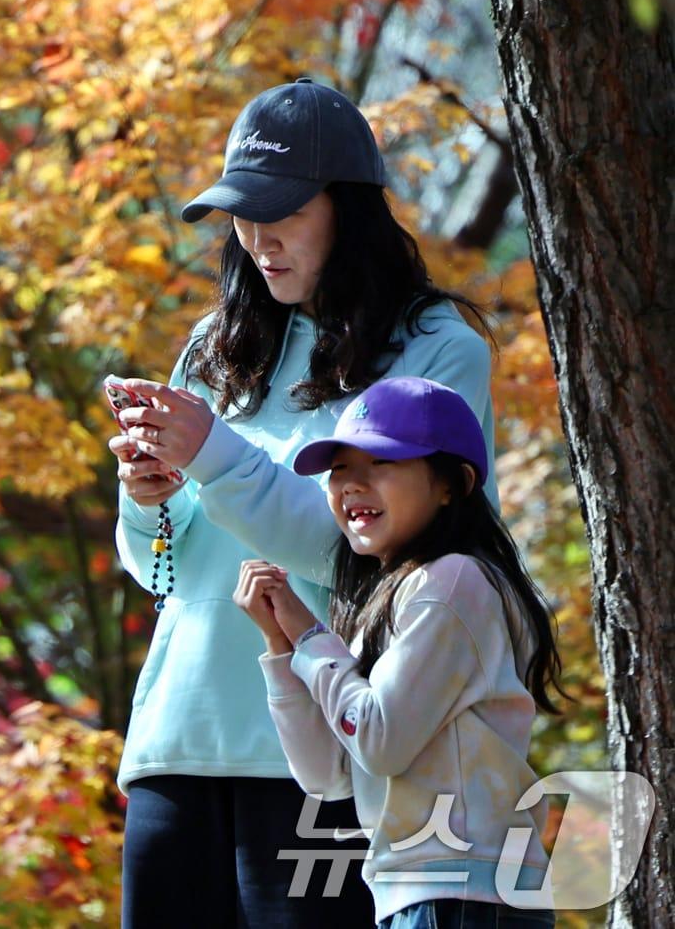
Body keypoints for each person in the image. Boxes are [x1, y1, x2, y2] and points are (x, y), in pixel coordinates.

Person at [109, 77, 499, 927]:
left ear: (348, 207)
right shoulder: (219, 346)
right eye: (241, 215)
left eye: (282, 211)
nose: (256, 240)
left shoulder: (435, 346)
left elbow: (373, 548)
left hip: (323, 749)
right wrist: (147, 501)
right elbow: (160, 571)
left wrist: (211, 452)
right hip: (177, 743)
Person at [233, 376, 563, 929]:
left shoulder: (454, 582)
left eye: (381, 463)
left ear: (450, 484)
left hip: (462, 893)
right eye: (340, 469)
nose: (352, 486)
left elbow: (379, 741)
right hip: (425, 893)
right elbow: (328, 776)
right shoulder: (392, 599)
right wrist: (281, 648)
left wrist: (309, 637)